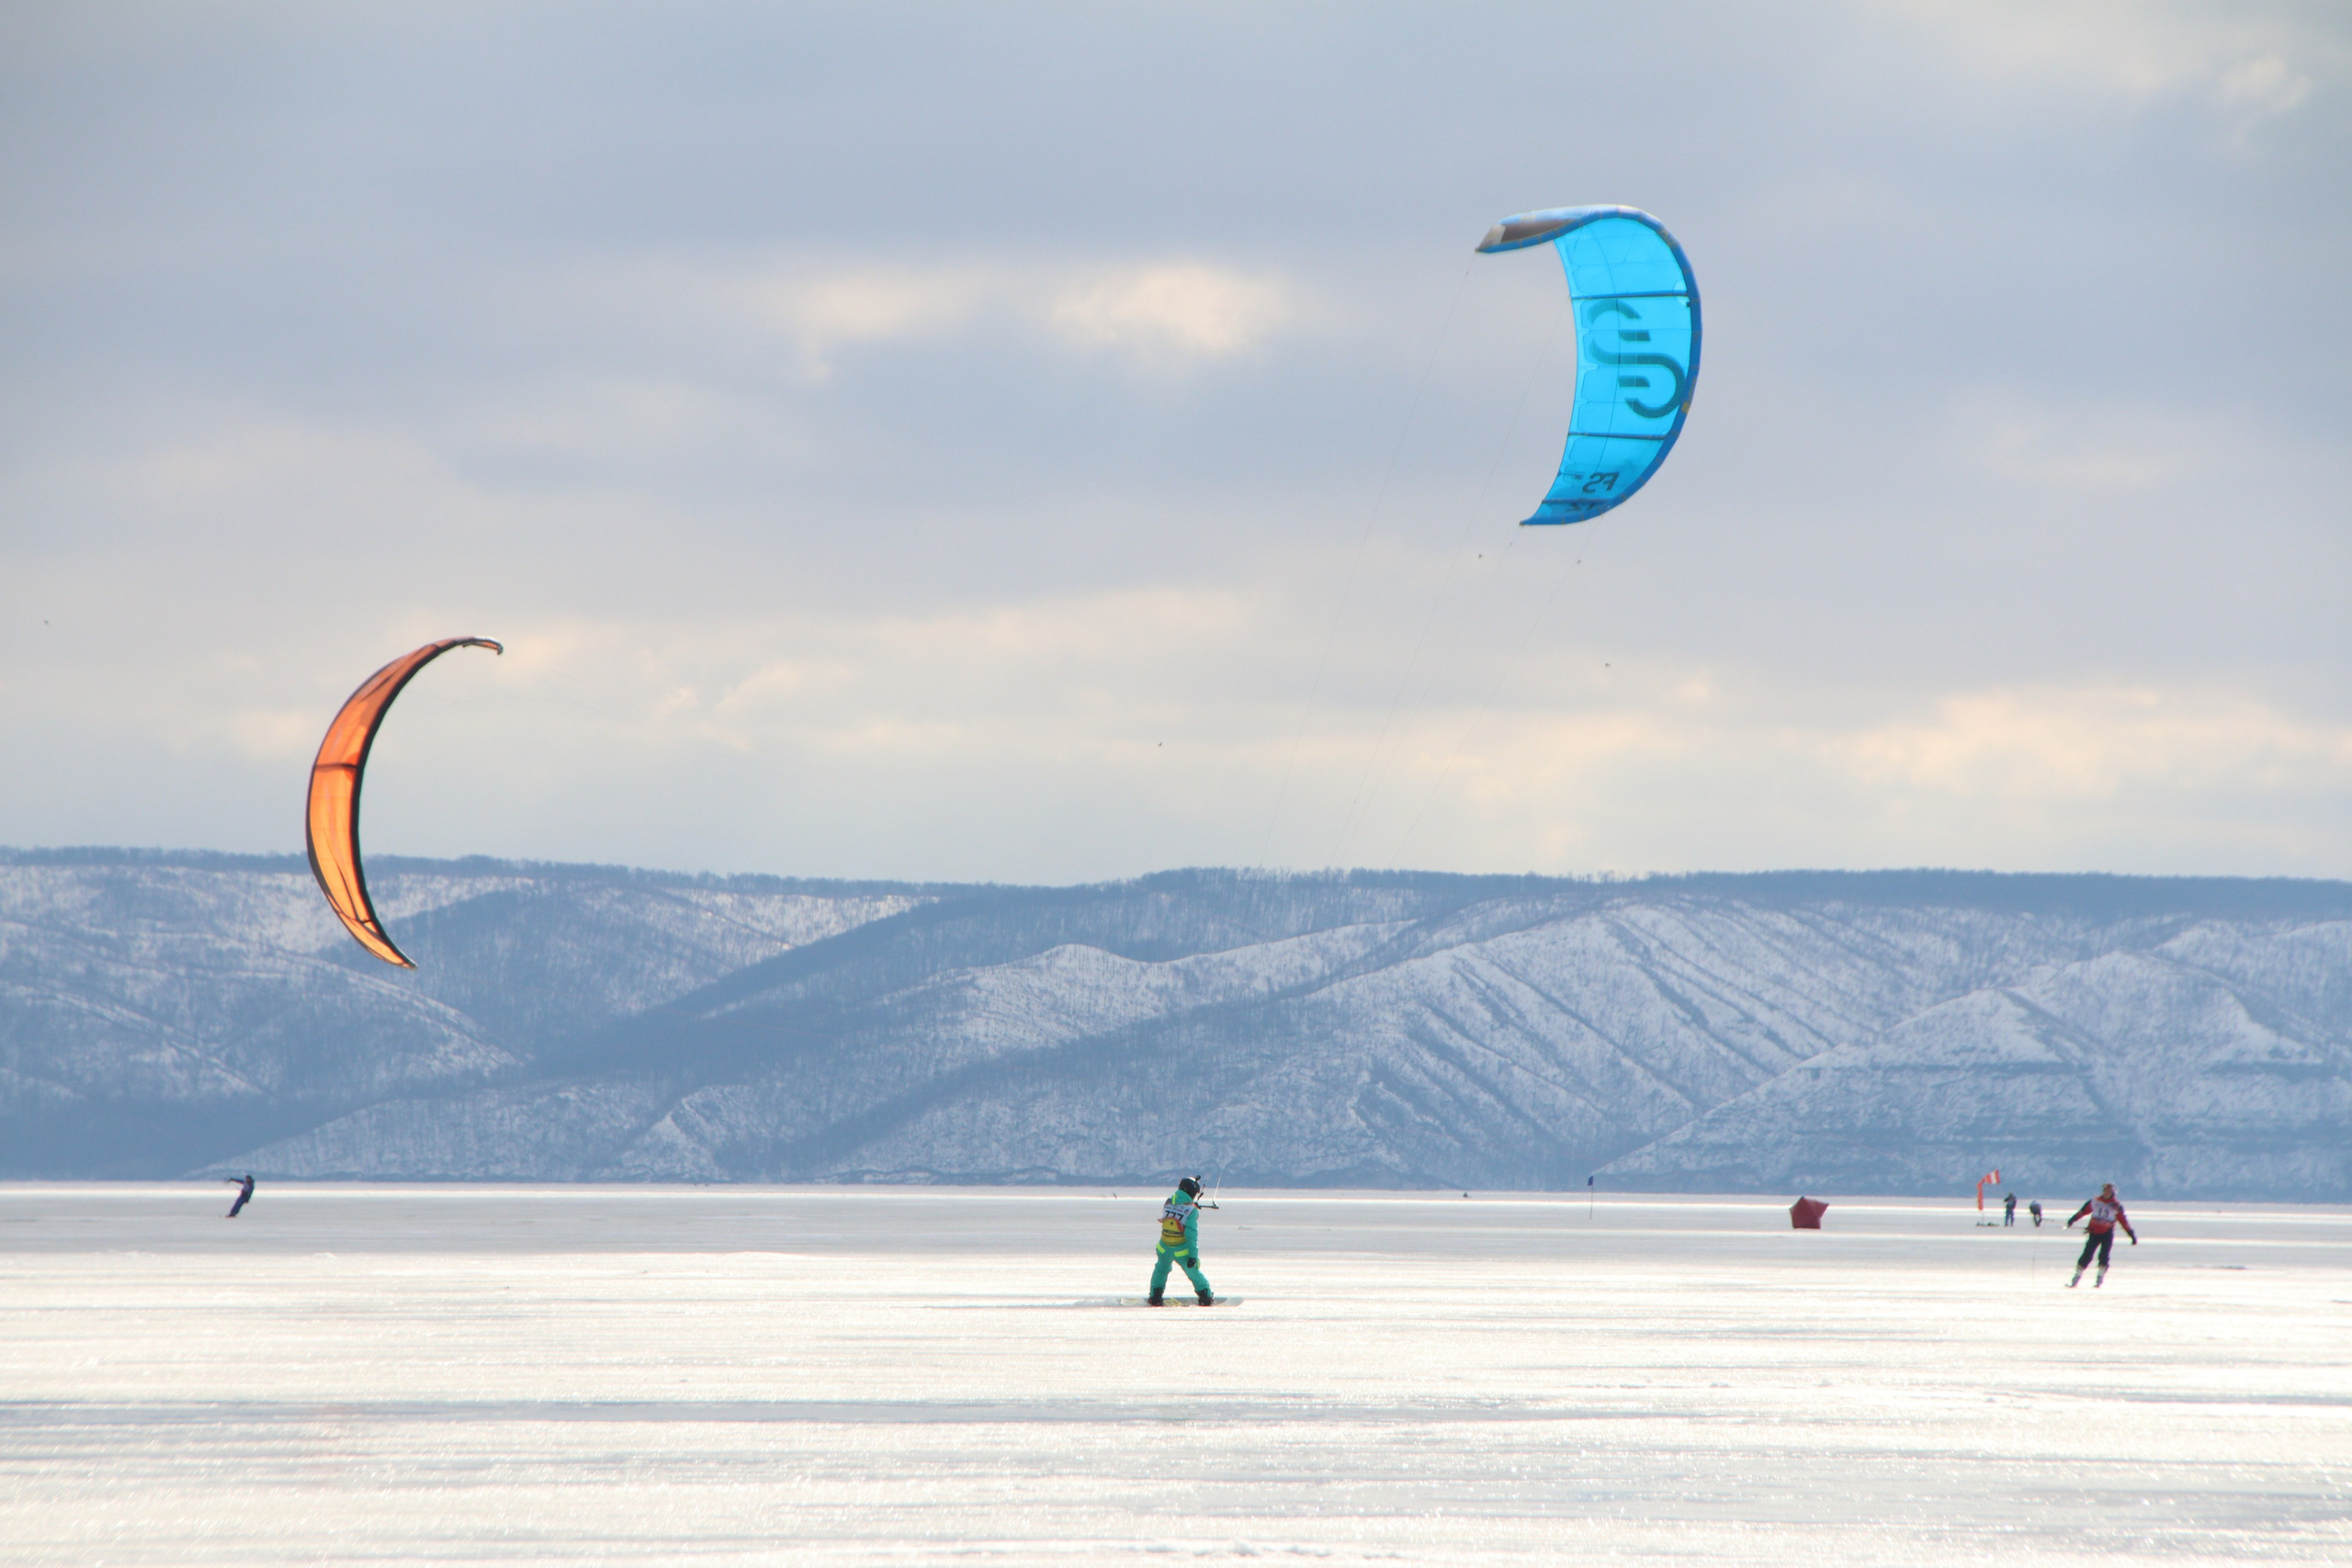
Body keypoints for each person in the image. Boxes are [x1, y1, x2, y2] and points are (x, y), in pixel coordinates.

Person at [1148, 1177, 1215, 1306]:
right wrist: (1193, 1256)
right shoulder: (1191, 1210)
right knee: (1193, 1271)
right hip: (1181, 1250)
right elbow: (1191, 1235)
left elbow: (1177, 1206)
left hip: (1164, 1248)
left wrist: (1191, 1205)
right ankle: (1205, 1296)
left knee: (1161, 1270)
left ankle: (1155, 1296)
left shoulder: (1168, 1203)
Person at [2064, 1183, 2137, 1287]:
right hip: (2094, 1233)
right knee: (2086, 1255)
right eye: (2105, 1190)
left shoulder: (2116, 1205)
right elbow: (2083, 1211)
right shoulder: (2095, 1201)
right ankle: (2076, 1279)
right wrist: (2073, 1219)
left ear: (2112, 1193)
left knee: (2103, 1256)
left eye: (2108, 1191)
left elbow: (2123, 1221)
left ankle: (2099, 1280)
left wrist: (2131, 1235)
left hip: (2107, 1234)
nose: (2106, 1193)